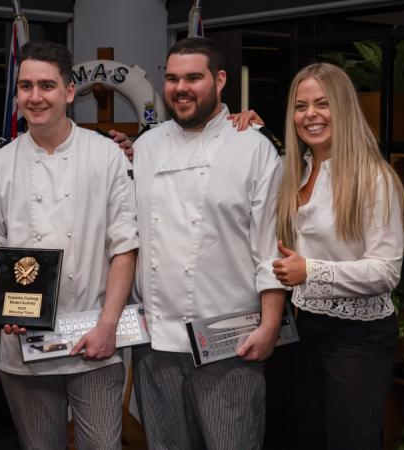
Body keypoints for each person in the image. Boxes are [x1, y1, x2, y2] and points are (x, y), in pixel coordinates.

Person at [0, 41, 138, 450]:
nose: (35, 96)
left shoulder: (106, 156)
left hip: (93, 338)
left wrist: (108, 326)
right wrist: (9, 303)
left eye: (46, 85)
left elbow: (124, 246)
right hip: (25, 343)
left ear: (67, 92)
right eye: (25, 86)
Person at [238, 62, 404, 450]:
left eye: (322, 104)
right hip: (304, 329)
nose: (310, 114)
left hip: (359, 338)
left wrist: (310, 271)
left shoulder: (373, 177)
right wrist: (253, 132)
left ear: (344, 108)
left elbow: (386, 272)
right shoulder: (292, 172)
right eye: (301, 106)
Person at [130, 37, 286, 450]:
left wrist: (270, 325)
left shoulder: (253, 147)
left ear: (219, 81)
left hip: (229, 344)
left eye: (193, 78)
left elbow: (269, 247)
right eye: (174, 78)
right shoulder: (144, 147)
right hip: (155, 344)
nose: (181, 88)